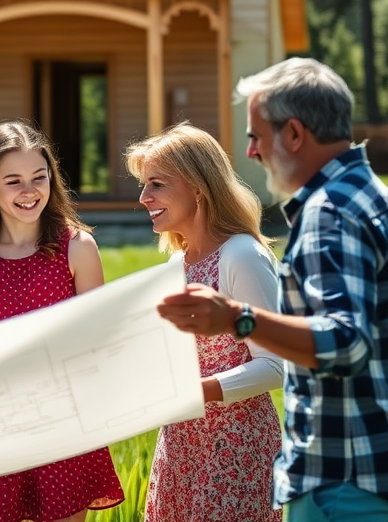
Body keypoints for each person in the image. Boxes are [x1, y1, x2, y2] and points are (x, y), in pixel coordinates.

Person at [157, 58, 388, 522]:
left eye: (257, 136)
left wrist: (238, 319)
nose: (253, 152)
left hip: (341, 475)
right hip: (366, 466)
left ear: (295, 134)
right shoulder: (362, 193)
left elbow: (345, 340)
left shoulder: (331, 213)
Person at [0, 119, 125, 522]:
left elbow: (98, 347)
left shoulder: (78, 248)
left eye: (39, 177)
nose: (29, 191)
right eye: (13, 181)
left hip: (65, 423)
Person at [124, 122, 284, 522]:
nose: (144, 197)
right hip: (180, 445)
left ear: (198, 187)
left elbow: (276, 365)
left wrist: (198, 392)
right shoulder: (177, 264)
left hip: (236, 449)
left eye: (157, 184)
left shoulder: (241, 255)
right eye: (144, 186)